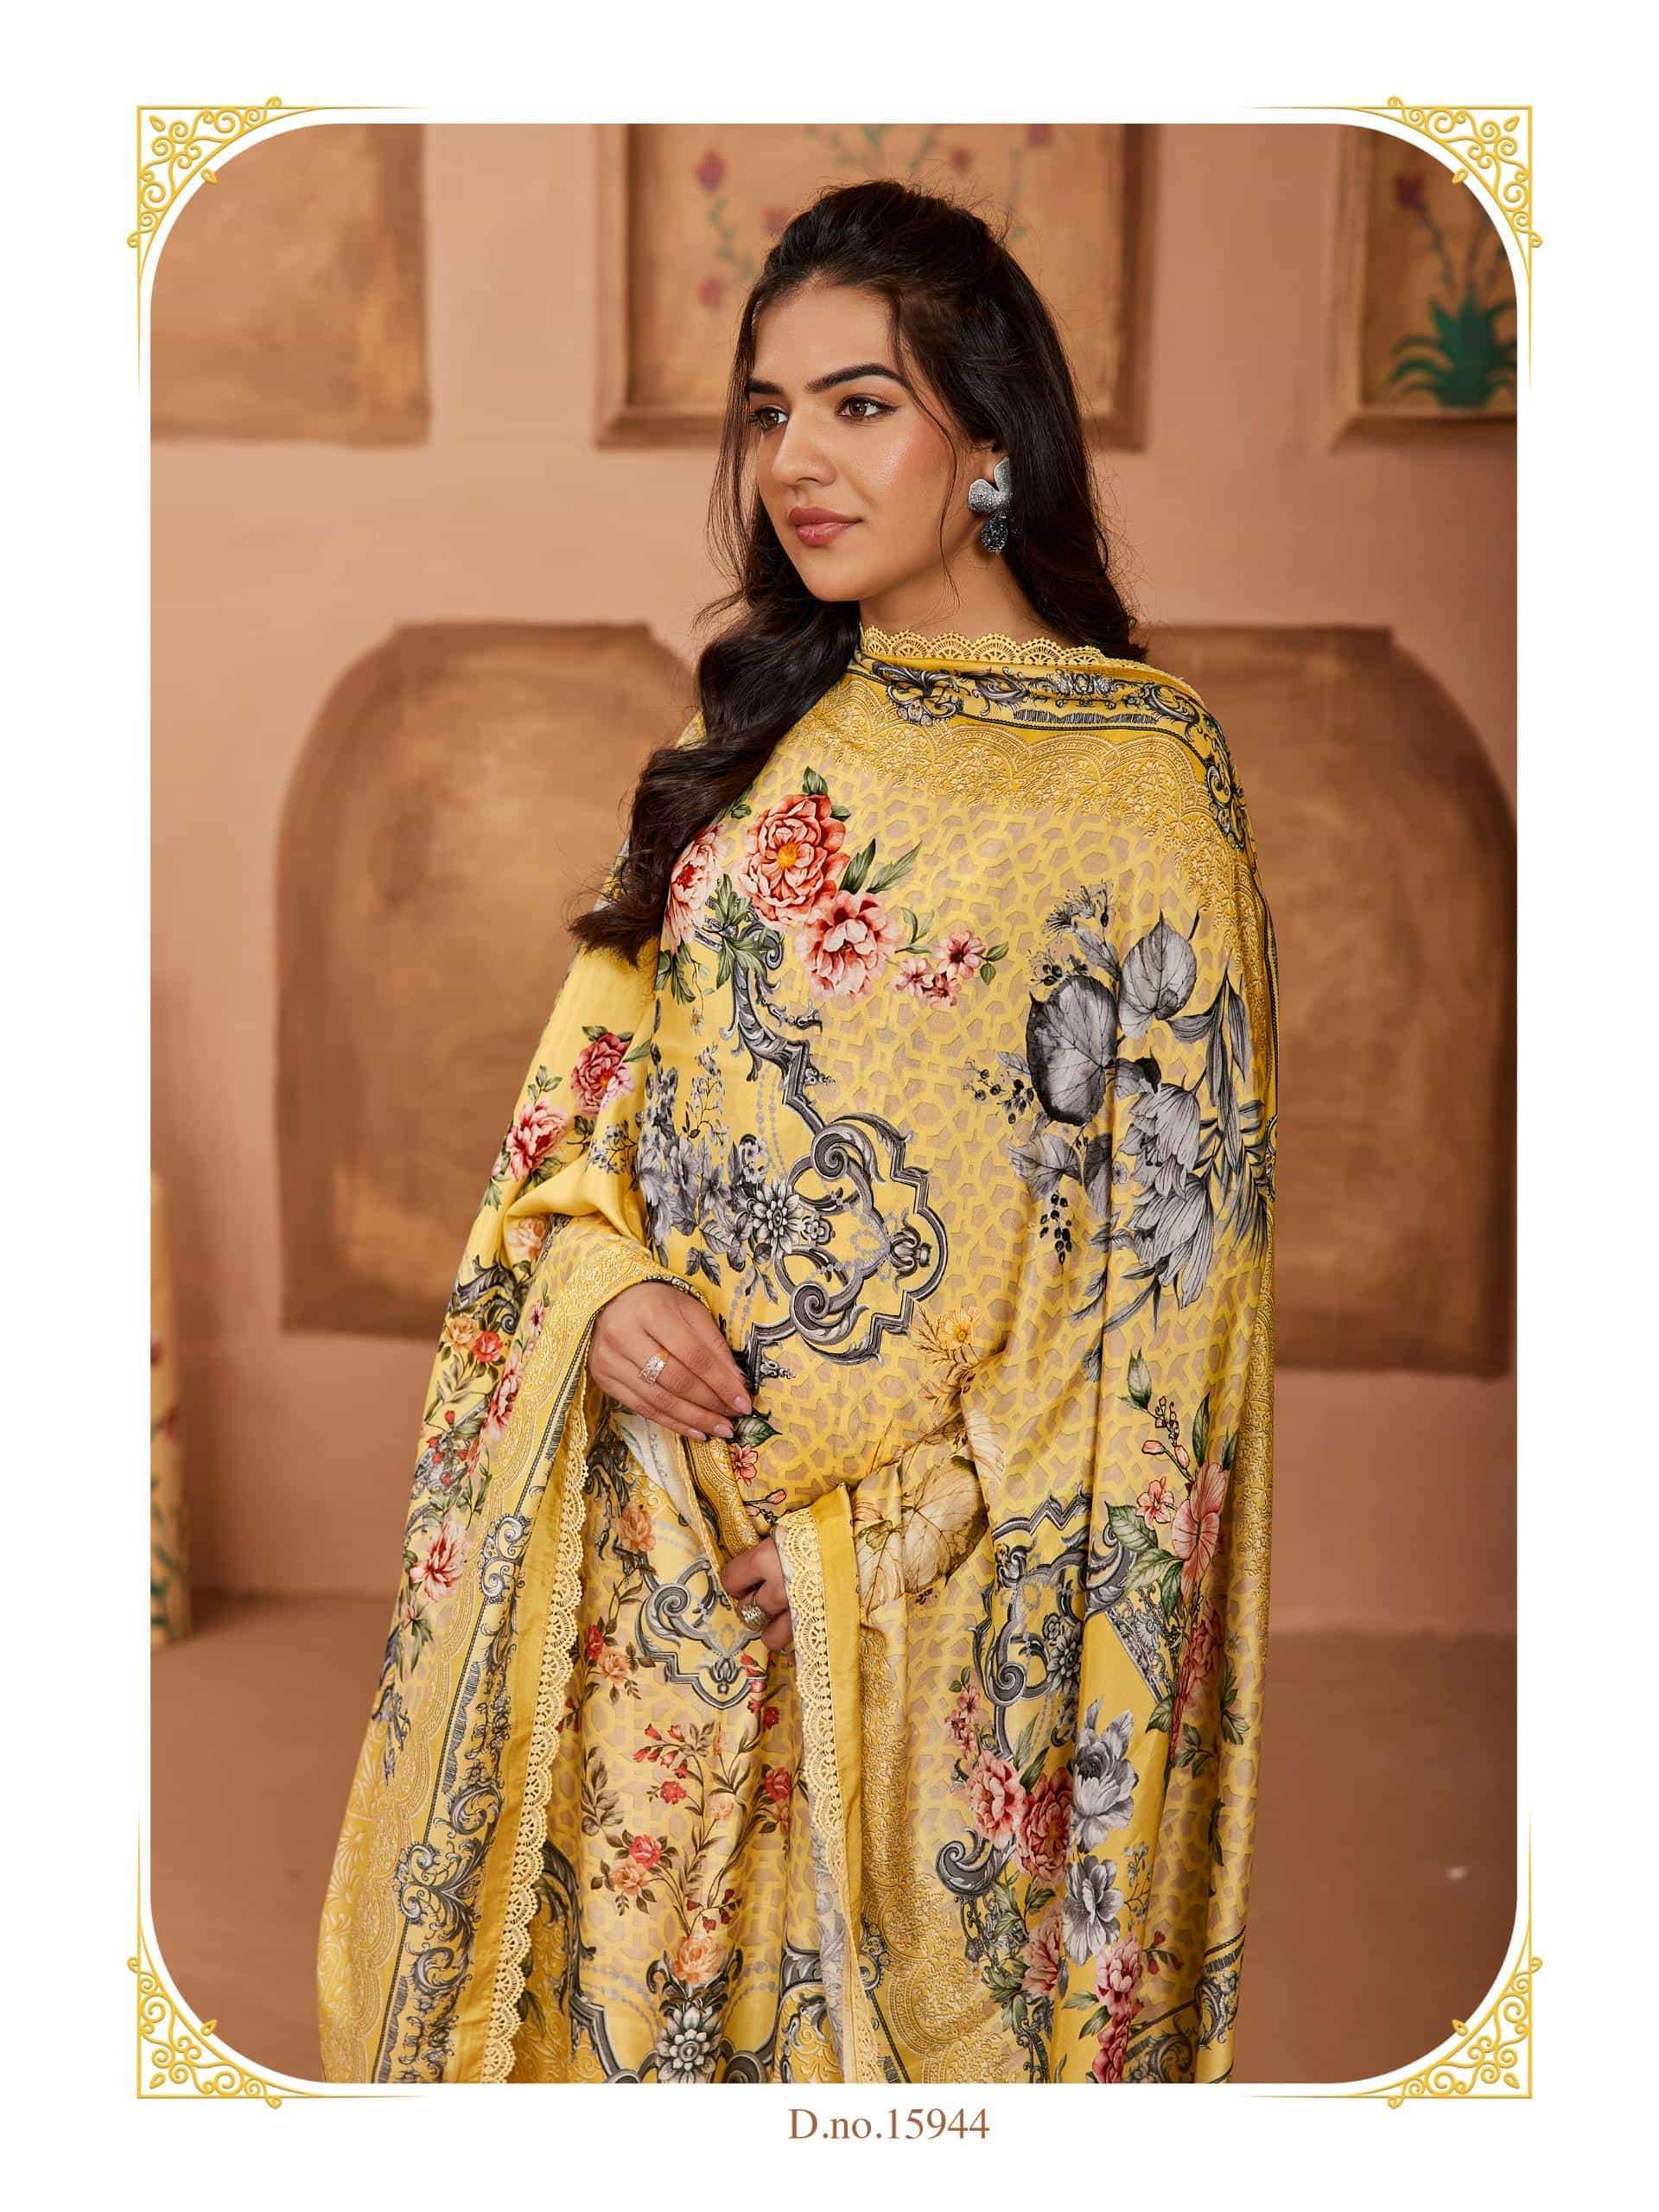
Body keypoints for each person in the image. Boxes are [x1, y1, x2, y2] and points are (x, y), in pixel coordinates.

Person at [317, 176, 1280, 2086]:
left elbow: (1168, 1298)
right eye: (769, 413)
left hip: (906, 1601)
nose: (796, 465)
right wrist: (599, 1287)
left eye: (860, 404)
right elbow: (588, 1102)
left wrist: (890, 1533)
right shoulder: (761, 739)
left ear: (990, 440)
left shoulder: (1142, 786)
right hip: (649, 1535)